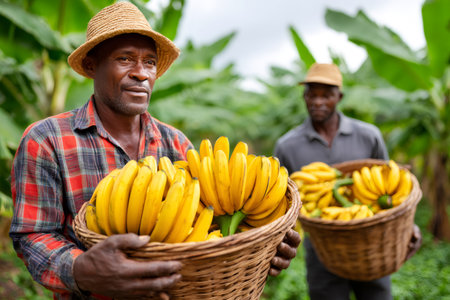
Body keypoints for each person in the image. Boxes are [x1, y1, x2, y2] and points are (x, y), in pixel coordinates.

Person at [9, 2, 300, 299]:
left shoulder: (176, 143)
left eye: (149, 62)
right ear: (93, 65)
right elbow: (32, 236)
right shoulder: (47, 140)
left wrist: (258, 243)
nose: (141, 74)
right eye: (125, 59)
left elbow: (206, 225)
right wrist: (81, 269)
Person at [274, 63, 422, 300]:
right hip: (322, 249)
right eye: (312, 94)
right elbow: (280, 200)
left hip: (372, 244)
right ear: (304, 96)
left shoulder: (368, 135)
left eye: (327, 95)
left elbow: (394, 189)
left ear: (339, 97)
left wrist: (409, 226)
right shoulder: (287, 145)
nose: (318, 101)